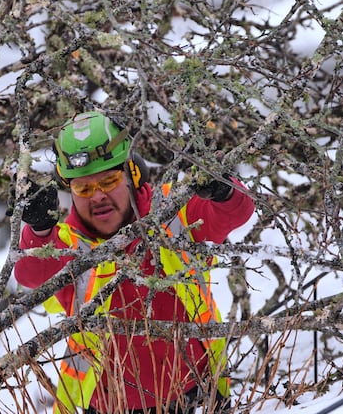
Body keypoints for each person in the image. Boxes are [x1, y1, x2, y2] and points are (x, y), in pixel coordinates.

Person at [13, 111, 255, 414]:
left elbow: (235, 211)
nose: (97, 196)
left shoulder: (171, 209)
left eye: (109, 180)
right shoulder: (67, 244)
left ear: (132, 174)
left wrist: (220, 187)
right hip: (101, 407)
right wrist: (39, 229)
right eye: (83, 188)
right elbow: (30, 273)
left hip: (198, 398)